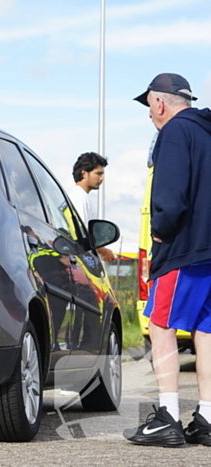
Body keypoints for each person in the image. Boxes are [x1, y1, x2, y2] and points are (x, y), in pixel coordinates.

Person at [124, 72, 211, 447]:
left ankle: (168, 417)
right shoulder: (207, 132)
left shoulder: (174, 132)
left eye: (149, 106)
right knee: (206, 332)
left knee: (160, 326)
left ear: (160, 102)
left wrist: (160, 228)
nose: (149, 115)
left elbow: (171, 197)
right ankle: (207, 417)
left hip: (182, 250)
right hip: (209, 251)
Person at [66, 152, 116, 263]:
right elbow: (82, 234)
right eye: (98, 174)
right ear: (84, 173)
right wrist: (104, 251)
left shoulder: (79, 196)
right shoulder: (79, 197)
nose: (102, 178)